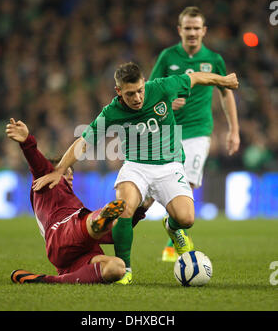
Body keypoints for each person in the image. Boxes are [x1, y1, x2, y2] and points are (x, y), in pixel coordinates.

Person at [32, 62, 239, 284]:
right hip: (136, 167)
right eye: (130, 94)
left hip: (169, 165)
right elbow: (84, 140)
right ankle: (126, 270)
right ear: (119, 91)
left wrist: (223, 80)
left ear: (144, 84)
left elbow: (196, 77)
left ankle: (172, 227)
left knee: (186, 219)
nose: (138, 98)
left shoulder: (161, 87)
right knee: (123, 208)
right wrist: (60, 170)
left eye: (140, 91)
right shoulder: (112, 111)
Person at [149, 6, 240, 262]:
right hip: (169, 130)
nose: (192, 32)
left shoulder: (214, 59)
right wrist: (167, 102)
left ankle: (173, 238)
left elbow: (226, 93)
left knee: (186, 185)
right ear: (180, 30)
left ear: (204, 31)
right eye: (187, 28)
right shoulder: (168, 57)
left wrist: (234, 129)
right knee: (150, 195)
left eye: (196, 28)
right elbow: (151, 91)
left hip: (199, 131)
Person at [6, 118, 128, 284]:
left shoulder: (71, 202)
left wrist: (132, 218)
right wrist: (27, 142)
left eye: (71, 173)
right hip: (62, 232)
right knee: (93, 219)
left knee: (117, 268)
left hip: (74, 254)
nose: (69, 176)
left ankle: (49, 280)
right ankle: (101, 218)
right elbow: (38, 164)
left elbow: (111, 237)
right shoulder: (46, 184)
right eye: (65, 173)